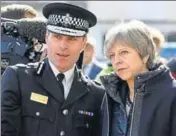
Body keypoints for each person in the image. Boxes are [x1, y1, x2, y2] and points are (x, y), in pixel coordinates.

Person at [1, 2, 104, 136]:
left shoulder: (97, 94)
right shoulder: (18, 78)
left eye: (72, 39)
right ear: (46, 38)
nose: (63, 46)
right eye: (57, 37)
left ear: (83, 43)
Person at [100, 20, 176, 136]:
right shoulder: (110, 94)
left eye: (124, 52)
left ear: (145, 55)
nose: (117, 60)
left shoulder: (171, 95)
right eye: (112, 55)